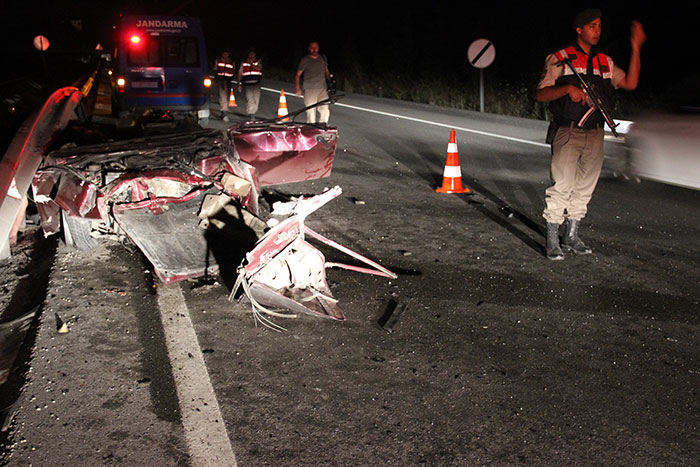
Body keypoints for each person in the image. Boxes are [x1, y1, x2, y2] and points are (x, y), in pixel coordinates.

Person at [536, 9, 646, 260]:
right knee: (562, 184)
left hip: (595, 133)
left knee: (585, 187)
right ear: (579, 29)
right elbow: (541, 93)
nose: (598, 30)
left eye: (599, 26)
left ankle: (571, 235)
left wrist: (636, 47)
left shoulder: (604, 62)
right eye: (592, 26)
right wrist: (566, 89)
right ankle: (552, 238)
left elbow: (630, 83)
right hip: (568, 130)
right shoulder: (559, 57)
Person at [295, 41, 331, 124]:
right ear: (309, 49)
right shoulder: (305, 60)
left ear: (318, 48)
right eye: (312, 48)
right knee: (311, 112)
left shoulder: (323, 58)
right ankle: (311, 130)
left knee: (325, 110)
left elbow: (326, 71)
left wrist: (330, 78)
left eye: (316, 48)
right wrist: (297, 88)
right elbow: (298, 75)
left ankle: (322, 127)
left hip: (322, 89)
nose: (314, 50)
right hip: (310, 89)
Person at [237, 49, 263, 121]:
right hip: (247, 83)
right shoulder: (243, 63)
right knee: (249, 99)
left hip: (256, 83)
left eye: (253, 54)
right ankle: (251, 114)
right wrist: (239, 84)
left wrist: (251, 64)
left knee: (256, 100)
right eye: (250, 54)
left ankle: (253, 111)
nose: (251, 55)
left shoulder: (258, 61)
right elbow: (240, 73)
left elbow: (259, 69)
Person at [214, 49, 235, 122]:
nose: (225, 55)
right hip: (221, 80)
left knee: (227, 96)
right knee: (222, 96)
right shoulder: (218, 61)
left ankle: (223, 112)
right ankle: (224, 112)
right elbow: (215, 70)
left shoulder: (231, 62)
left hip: (228, 81)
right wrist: (216, 78)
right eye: (224, 54)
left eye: (227, 54)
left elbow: (233, 71)